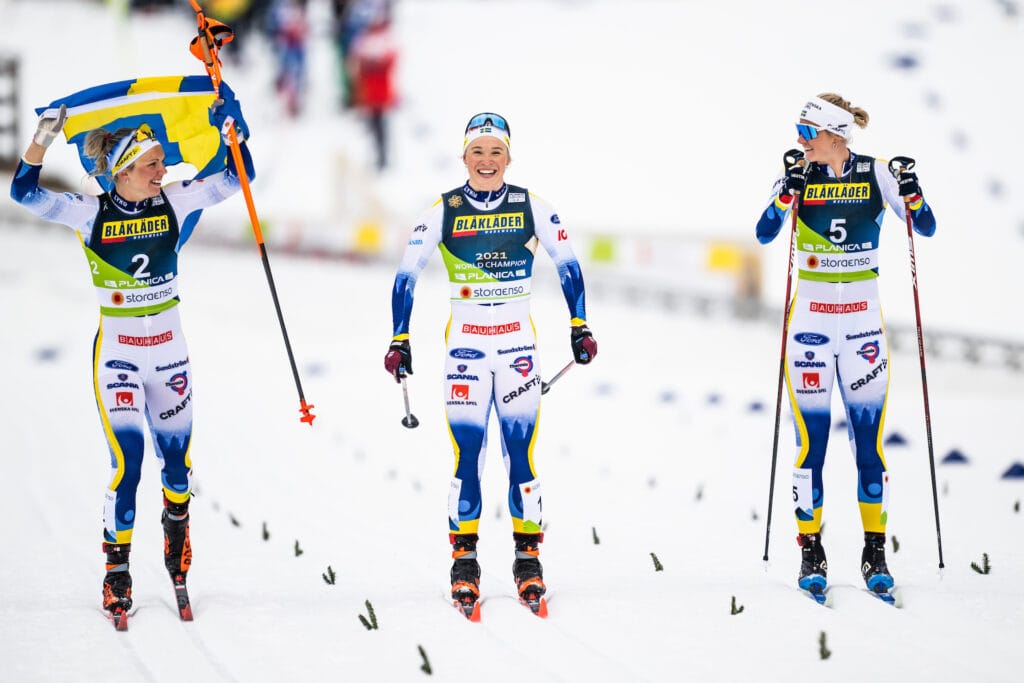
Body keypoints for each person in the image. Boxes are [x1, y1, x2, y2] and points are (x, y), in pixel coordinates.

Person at [9, 101, 254, 621]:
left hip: (169, 357)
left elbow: (239, 179)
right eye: (151, 165)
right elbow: (23, 193)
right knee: (128, 463)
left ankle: (176, 547)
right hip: (118, 357)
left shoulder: (177, 201)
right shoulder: (90, 211)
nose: (162, 171)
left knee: (178, 470)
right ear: (122, 171)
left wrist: (231, 128)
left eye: (162, 163)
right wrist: (43, 138)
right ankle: (116, 573)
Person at [384, 113, 598, 615]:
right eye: (477, 152)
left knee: (520, 456)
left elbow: (569, 265)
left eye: (495, 152)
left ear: (509, 157)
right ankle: (465, 562)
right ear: (463, 157)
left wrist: (579, 325)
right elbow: (405, 275)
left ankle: (528, 561)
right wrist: (400, 338)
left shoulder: (532, 206)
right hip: (466, 352)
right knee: (469, 456)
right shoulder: (443, 209)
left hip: (518, 350)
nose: (486, 161)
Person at [755, 93, 936, 598]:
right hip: (809, 329)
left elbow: (926, 227)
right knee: (810, 446)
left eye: (805, 131)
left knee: (868, 447)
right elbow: (765, 232)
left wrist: (914, 193)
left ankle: (874, 551)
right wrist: (785, 195)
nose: (798, 139)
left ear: (834, 134)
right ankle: (810, 551)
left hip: (862, 333)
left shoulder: (877, 174)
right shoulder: (797, 173)